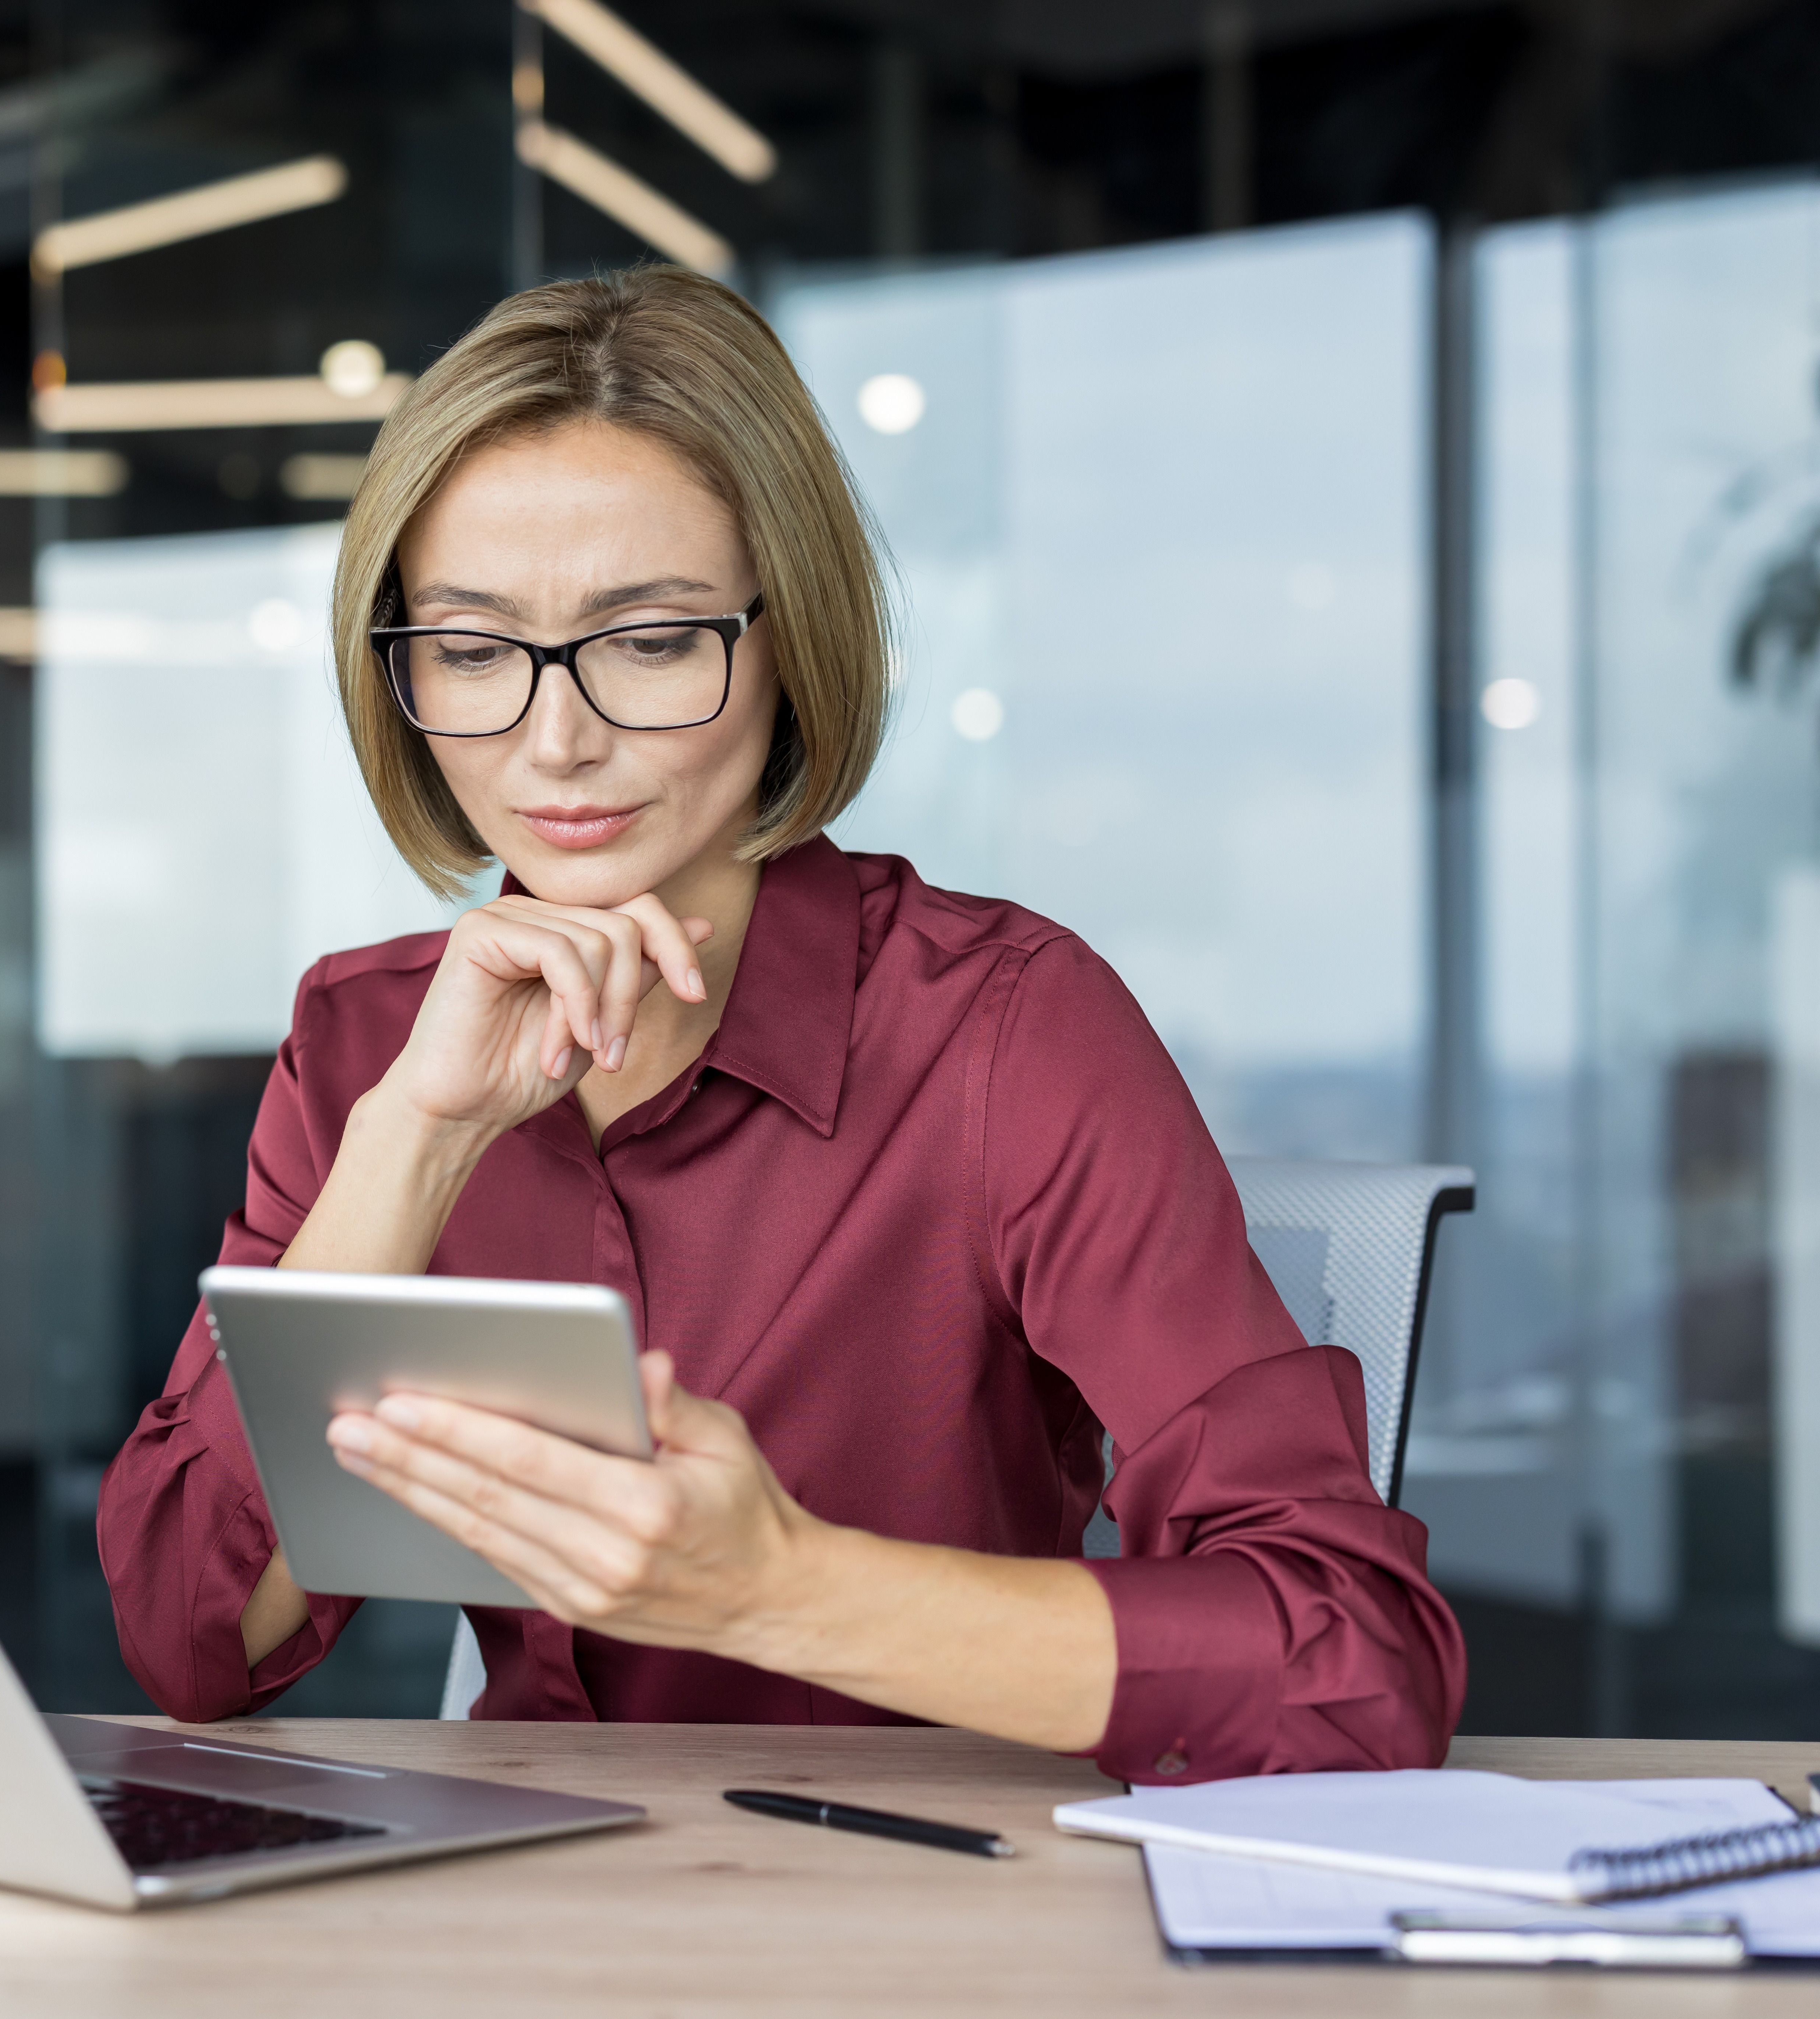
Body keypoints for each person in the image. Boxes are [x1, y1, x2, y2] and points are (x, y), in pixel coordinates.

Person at [96, 266, 1464, 1783]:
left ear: (784, 640)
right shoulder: (369, 1042)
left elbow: (1353, 1665)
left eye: (654, 640)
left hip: (919, 1903)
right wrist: (411, 1144)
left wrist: (778, 1588)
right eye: (475, 653)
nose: (556, 741)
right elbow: (188, 1639)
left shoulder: (1003, 1030)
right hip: (514, 1908)